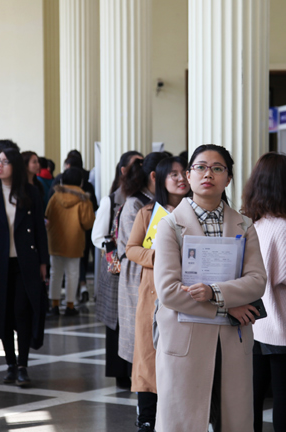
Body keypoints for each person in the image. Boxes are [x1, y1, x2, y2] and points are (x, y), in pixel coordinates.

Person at [153, 144, 267, 432]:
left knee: (234, 420)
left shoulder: (244, 225)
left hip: (231, 339)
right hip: (186, 339)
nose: (208, 174)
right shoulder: (170, 226)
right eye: (201, 167)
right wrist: (227, 303)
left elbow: (257, 280)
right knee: (184, 421)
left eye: (218, 168)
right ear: (189, 175)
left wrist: (216, 295)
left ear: (227, 178)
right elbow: (168, 290)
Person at [241, 153, 286, 432]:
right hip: (281, 323)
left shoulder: (250, 224)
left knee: (253, 397)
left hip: (253, 323)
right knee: (283, 396)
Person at [125, 156, 190, 432]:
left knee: (180, 358)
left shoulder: (195, 213)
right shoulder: (147, 213)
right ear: (160, 180)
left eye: (183, 173)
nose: (180, 178)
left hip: (187, 295)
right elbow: (131, 248)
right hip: (152, 296)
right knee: (148, 358)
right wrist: (159, 255)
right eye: (172, 174)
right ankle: (147, 419)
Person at [0, 148, 49, 386]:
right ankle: (10, 364)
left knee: (22, 313)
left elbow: (39, 230)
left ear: (15, 165)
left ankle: (23, 365)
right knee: (4, 314)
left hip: (25, 262)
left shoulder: (31, 193)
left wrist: (44, 262)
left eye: (5, 162)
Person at [91, 150, 143, 389]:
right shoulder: (111, 199)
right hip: (115, 268)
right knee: (116, 321)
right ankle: (119, 372)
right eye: (136, 164)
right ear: (123, 171)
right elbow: (98, 235)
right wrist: (116, 256)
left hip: (134, 267)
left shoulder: (144, 199)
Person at [117, 152, 168, 366]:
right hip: (137, 275)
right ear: (155, 176)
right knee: (142, 336)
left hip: (160, 273)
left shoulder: (164, 201)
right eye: (171, 174)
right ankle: (143, 392)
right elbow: (135, 247)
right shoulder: (135, 203)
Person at [46, 167, 95, 316]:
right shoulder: (83, 199)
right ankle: (70, 305)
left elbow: (47, 216)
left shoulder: (55, 196)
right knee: (73, 274)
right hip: (74, 243)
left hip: (55, 241)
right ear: (80, 182)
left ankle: (54, 305)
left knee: (55, 273)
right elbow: (88, 223)